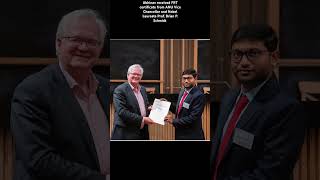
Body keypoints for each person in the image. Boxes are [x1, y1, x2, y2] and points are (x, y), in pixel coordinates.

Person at [10, 9, 110, 180]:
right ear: (58, 44)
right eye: (76, 39)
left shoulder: (107, 88)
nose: (84, 47)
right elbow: (39, 160)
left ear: (100, 47)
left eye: (92, 42)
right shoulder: (32, 91)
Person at [210, 24, 305, 180]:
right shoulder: (229, 98)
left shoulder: (286, 109)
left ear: (274, 58)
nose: (244, 62)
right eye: (237, 54)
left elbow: (270, 174)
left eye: (253, 53)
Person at [111, 64, 154, 140]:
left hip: (142, 132)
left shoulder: (143, 90)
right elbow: (122, 111)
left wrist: (150, 108)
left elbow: (145, 106)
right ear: (128, 75)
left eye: (139, 74)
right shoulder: (120, 90)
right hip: (125, 133)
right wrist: (143, 119)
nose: (136, 76)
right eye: (134, 74)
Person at [164, 68, 205, 140]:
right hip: (180, 135)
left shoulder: (199, 95)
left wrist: (173, 121)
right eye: (184, 78)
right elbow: (179, 110)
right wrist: (167, 104)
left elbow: (193, 117)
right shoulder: (182, 91)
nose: (186, 81)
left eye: (189, 78)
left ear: (195, 78)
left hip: (192, 136)